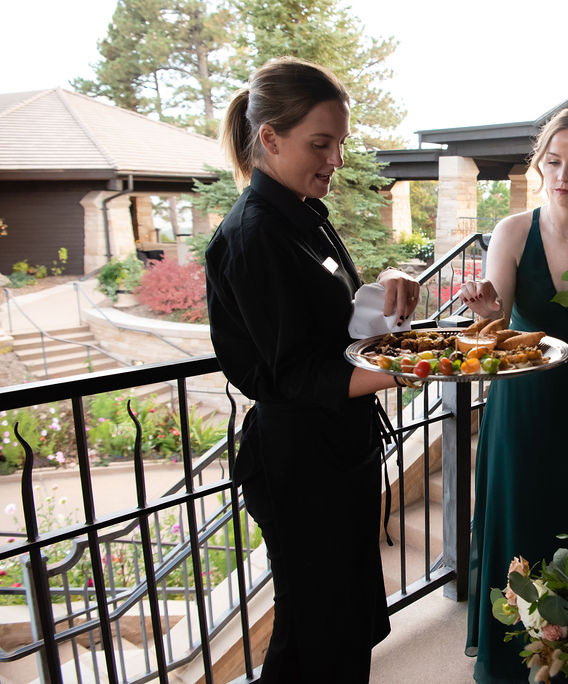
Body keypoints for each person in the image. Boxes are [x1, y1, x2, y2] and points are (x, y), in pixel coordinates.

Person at [204, 57, 420, 682]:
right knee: (317, 636)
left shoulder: (303, 215)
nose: (335, 160)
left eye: (339, 144)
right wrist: (413, 372)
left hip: (338, 449)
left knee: (347, 624)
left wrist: (386, 284)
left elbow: (339, 326)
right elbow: (294, 374)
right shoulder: (253, 235)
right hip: (300, 464)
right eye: (319, 144)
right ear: (269, 137)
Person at [458, 107, 568, 682]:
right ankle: (518, 652)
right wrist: (489, 315)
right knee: (525, 520)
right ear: (540, 163)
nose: (562, 175)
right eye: (552, 161)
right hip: (525, 407)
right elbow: (498, 332)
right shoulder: (512, 231)